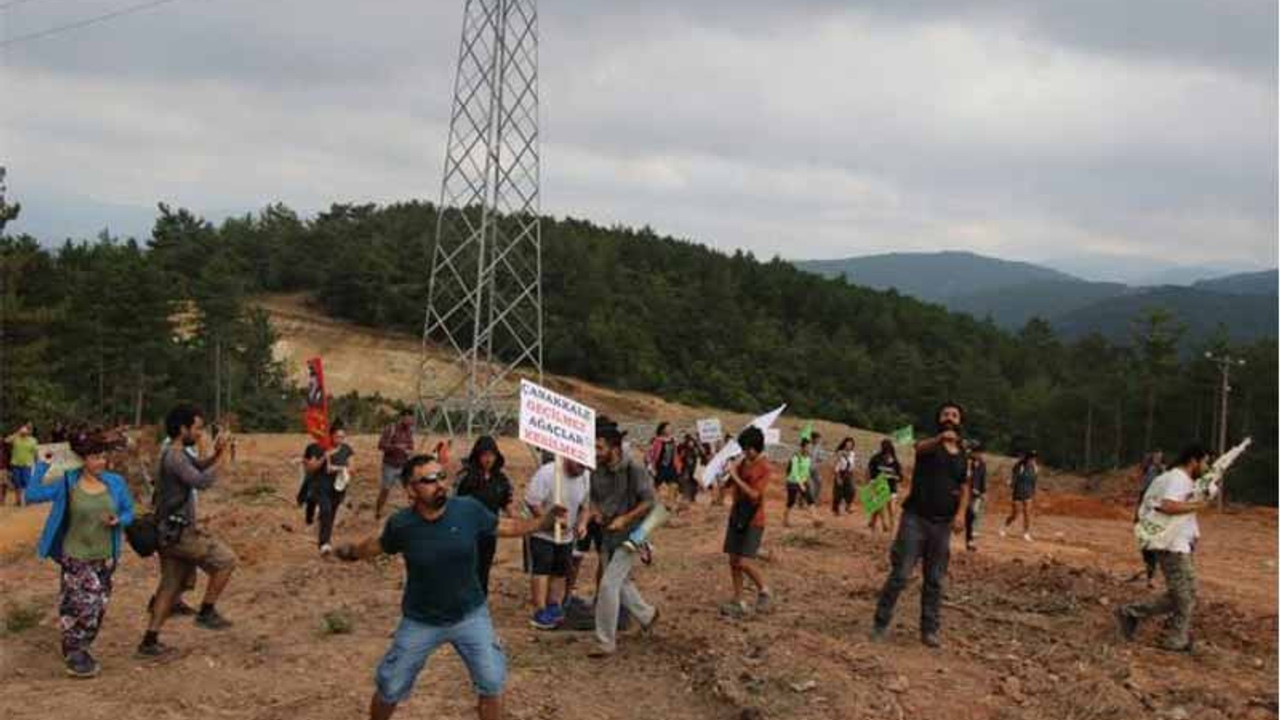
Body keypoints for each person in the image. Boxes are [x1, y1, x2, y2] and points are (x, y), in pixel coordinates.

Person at [334, 454, 566, 720]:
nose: (440, 484)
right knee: (390, 685)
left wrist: (542, 522)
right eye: (429, 480)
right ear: (411, 490)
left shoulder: (468, 510)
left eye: (442, 476)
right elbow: (375, 546)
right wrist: (351, 552)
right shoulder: (402, 525)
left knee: (492, 682)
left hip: (470, 615)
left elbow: (507, 526)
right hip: (421, 620)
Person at [26, 433, 136, 678]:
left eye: (104, 457)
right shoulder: (68, 482)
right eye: (96, 457)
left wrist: (120, 519)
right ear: (82, 460)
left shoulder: (115, 483)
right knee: (88, 602)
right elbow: (31, 495)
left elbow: (130, 510)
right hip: (75, 555)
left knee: (98, 606)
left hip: (106, 556)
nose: (102, 462)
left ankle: (79, 646)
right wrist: (42, 463)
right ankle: (75, 652)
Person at [137, 404, 236, 658]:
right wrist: (222, 462)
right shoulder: (175, 457)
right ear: (183, 429)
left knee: (170, 586)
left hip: (169, 532)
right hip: (180, 534)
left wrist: (216, 453)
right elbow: (202, 481)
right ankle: (207, 611)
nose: (200, 432)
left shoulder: (176, 452)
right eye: (197, 428)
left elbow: (199, 466)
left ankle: (149, 641)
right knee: (225, 561)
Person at [870, 402, 970, 648]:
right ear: (938, 419)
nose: (949, 417)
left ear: (960, 421)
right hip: (915, 518)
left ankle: (930, 630)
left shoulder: (963, 455)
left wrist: (960, 515)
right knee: (901, 573)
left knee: (935, 579)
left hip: (943, 524)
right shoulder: (929, 446)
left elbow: (965, 487)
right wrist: (939, 439)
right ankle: (880, 622)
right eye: (945, 414)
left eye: (954, 415)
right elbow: (919, 448)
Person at [1116, 444, 1210, 653]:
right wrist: (1199, 505)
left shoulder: (1182, 480)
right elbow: (1167, 506)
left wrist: (1193, 535)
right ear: (1194, 460)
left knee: (1186, 594)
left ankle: (1131, 613)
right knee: (1183, 596)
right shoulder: (1177, 478)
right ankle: (1175, 639)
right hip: (1170, 545)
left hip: (1179, 544)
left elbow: (1178, 511)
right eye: (1205, 462)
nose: (1206, 466)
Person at [587, 416, 660, 657]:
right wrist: (596, 512)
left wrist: (625, 519)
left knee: (608, 585)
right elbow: (594, 499)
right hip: (608, 533)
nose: (595, 452)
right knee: (621, 583)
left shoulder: (635, 469)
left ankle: (605, 642)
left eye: (599, 447)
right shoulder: (595, 471)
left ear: (614, 448)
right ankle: (648, 615)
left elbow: (650, 502)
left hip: (635, 532)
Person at [523, 457, 591, 630]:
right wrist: (548, 520)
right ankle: (540, 611)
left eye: (584, 465)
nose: (582, 468)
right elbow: (532, 502)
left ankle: (554, 606)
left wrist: (582, 523)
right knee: (542, 570)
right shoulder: (548, 472)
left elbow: (586, 505)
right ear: (569, 458)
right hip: (542, 534)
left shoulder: (585, 477)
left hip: (566, 535)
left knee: (560, 571)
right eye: (579, 463)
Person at [719, 427, 774, 617]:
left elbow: (754, 495)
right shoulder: (742, 462)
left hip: (753, 519)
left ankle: (764, 590)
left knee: (743, 561)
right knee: (733, 560)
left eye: (749, 449)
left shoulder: (765, 467)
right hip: (737, 515)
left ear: (757, 447)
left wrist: (734, 475)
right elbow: (728, 483)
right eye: (744, 449)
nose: (746, 452)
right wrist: (726, 474)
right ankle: (739, 600)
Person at [455, 436, 515, 596]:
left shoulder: (501, 479)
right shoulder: (466, 478)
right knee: (467, 567)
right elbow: (455, 503)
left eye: (491, 455)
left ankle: (480, 599)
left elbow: (506, 502)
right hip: (468, 532)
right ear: (477, 455)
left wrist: (517, 521)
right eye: (484, 455)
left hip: (489, 532)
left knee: (484, 567)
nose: (488, 459)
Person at [302, 421, 355, 555]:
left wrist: (341, 469)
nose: (340, 440)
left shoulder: (346, 449)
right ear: (331, 436)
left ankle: (326, 539)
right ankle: (324, 543)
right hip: (321, 486)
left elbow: (352, 468)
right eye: (338, 437)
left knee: (331, 514)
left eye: (343, 437)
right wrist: (324, 458)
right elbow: (311, 467)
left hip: (338, 487)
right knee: (325, 510)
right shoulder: (319, 448)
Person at [1129, 451, 1166, 587]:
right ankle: (1151, 575)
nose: (1157, 459)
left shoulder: (1162, 473)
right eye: (1155, 457)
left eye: (1160, 457)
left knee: (1152, 546)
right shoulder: (1151, 472)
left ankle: (1152, 575)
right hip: (1147, 513)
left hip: (1155, 514)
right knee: (1147, 546)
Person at [376, 410, 416, 521]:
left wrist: (409, 451)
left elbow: (411, 446)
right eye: (408, 419)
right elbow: (380, 445)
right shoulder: (391, 429)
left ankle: (414, 512)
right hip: (390, 465)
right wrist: (396, 447)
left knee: (410, 488)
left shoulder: (409, 431)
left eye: (411, 420)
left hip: (403, 465)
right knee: (385, 490)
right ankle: (378, 511)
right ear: (402, 418)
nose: (410, 422)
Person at [1000, 450, 1039, 541]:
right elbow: (1014, 478)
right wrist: (1011, 483)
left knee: (1027, 514)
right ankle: (1004, 526)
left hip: (1028, 493)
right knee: (1015, 514)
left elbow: (1034, 482)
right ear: (1028, 458)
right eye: (1031, 457)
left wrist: (1033, 493)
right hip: (1018, 492)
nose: (1033, 459)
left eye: (1034, 457)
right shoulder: (1020, 466)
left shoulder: (1035, 468)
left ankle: (1026, 533)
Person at [866, 439, 903, 533]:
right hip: (879, 486)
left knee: (891, 509)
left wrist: (895, 477)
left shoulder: (895, 462)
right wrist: (870, 482)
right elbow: (870, 471)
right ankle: (881, 524)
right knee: (880, 506)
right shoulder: (876, 458)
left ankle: (890, 529)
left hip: (891, 487)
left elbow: (900, 476)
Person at [784, 439, 820, 528]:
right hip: (793, 481)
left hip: (803, 481)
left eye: (810, 447)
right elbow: (795, 472)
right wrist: (800, 485)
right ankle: (785, 519)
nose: (809, 449)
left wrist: (807, 480)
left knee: (810, 499)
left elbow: (806, 471)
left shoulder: (808, 458)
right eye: (807, 447)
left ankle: (815, 518)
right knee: (791, 502)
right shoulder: (796, 457)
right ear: (802, 447)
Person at [6, 422, 39, 507]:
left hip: (27, 464)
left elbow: (35, 453)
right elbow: (7, 440)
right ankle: (18, 501)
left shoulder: (33, 440)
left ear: (30, 431)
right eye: (25, 428)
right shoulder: (16, 438)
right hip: (16, 464)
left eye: (28, 429)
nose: (26, 431)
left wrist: (36, 462)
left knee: (26, 483)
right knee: (17, 483)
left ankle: (25, 500)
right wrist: (17, 433)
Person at [646, 422, 680, 504]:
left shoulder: (673, 440)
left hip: (671, 467)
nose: (670, 429)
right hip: (660, 467)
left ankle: (671, 504)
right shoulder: (657, 441)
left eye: (670, 427)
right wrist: (651, 466)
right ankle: (655, 503)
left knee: (674, 485)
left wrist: (678, 466)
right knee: (657, 487)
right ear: (662, 430)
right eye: (668, 427)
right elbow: (650, 454)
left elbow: (675, 454)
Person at [964, 445, 989, 551]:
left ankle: (970, 540)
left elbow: (983, 478)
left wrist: (983, 492)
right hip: (964, 493)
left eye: (980, 453)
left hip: (976, 494)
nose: (979, 455)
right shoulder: (966, 462)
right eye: (977, 453)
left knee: (972, 514)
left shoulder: (982, 464)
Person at [675, 434, 704, 509]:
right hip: (686, 469)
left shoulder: (696, 449)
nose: (690, 443)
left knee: (694, 484)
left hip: (694, 469)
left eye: (691, 442)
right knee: (686, 483)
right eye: (689, 442)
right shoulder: (683, 449)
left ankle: (692, 497)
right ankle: (686, 498)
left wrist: (699, 445)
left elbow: (702, 454)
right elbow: (679, 457)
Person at [831, 437, 857, 516]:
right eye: (848, 443)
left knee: (852, 490)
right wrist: (837, 477)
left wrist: (853, 473)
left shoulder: (852, 454)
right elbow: (836, 465)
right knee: (838, 492)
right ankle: (836, 509)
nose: (849, 445)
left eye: (851, 444)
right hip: (840, 472)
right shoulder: (840, 453)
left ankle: (848, 506)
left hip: (849, 473)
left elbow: (852, 464)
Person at [807, 432, 826, 506]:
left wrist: (820, 459)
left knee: (819, 482)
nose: (819, 440)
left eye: (819, 439)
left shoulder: (819, 447)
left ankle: (815, 499)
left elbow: (820, 458)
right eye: (817, 439)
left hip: (814, 469)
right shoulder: (807, 446)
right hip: (806, 469)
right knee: (809, 485)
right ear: (813, 439)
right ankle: (803, 501)